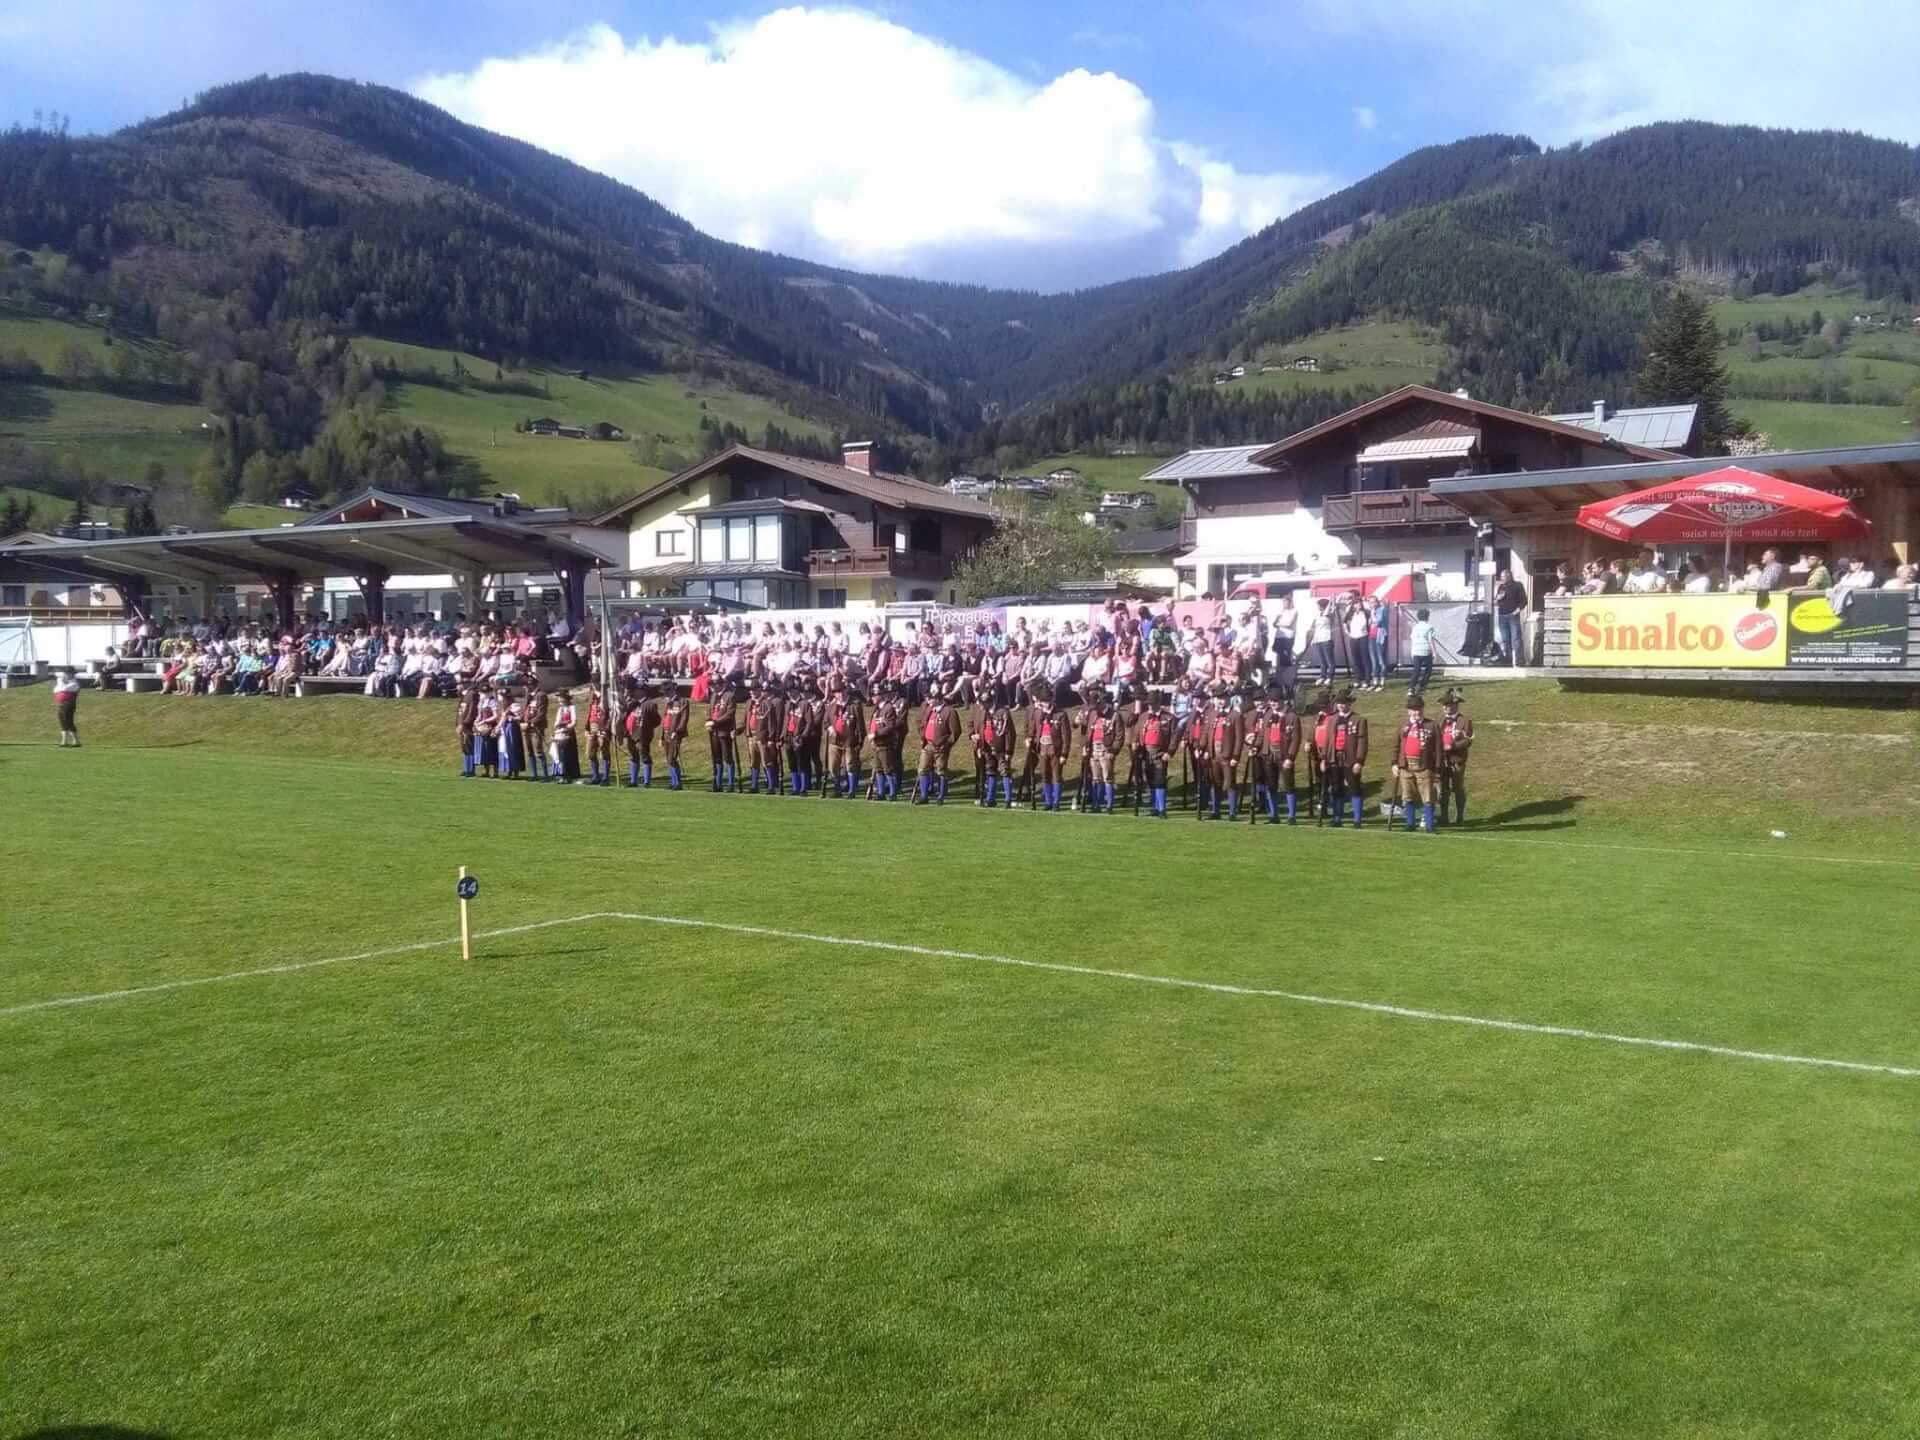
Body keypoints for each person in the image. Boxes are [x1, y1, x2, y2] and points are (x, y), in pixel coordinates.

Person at [1391, 693, 1441, 834]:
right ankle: (1410, 823)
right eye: (1413, 710)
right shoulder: (1403, 726)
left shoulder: (1432, 725)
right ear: (1409, 711)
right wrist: (1394, 763)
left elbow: (1438, 749)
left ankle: (1429, 826)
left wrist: (1437, 768)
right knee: (1407, 796)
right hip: (1406, 766)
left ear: (1422, 709)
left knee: (1428, 796)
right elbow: (1396, 746)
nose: (1416, 712)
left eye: (1419, 709)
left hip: (1425, 766)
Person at [1322, 688, 1369, 829]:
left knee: (1354, 787)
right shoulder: (1331, 719)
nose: (1341, 705)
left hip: (1350, 759)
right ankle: (1337, 818)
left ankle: (1357, 820)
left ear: (1349, 703)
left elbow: (1362, 742)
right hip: (1334, 758)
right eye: (1339, 703)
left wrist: (1359, 761)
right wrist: (1324, 758)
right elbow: (1327, 740)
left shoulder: (1359, 720)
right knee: (1336, 788)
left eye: (1344, 703)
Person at [1437, 687, 1474, 826]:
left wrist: (1452, 746)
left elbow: (1468, 740)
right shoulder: (1439, 719)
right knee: (1443, 789)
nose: (1445, 708)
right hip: (1442, 760)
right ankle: (1444, 817)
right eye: (1443, 705)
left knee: (1458, 788)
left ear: (1455, 705)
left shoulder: (1464, 720)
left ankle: (1460, 816)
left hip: (1457, 760)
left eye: (1448, 705)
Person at [1136, 688, 1175, 818]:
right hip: (1146, 752)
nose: (1150, 707)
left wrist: (1170, 752)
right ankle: (1154, 807)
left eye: (1152, 704)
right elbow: (1137, 732)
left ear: (1158, 703)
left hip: (1160, 752)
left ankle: (1162, 808)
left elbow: (1174, 737)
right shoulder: (1143, 717)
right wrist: (1136, 744)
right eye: (1149, 704)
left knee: (1160, 780)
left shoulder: (1168, 718)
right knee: (1150, 780)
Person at [976, 684, 1016, 809]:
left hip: (1001, 748)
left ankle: (1008, 799)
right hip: (987, 747)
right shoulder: (984, 713)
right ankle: (990, 798)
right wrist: (980, 746)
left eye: (984, 703)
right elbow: (981, 730)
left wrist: (1009, 750)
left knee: (1005, 772)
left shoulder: (1003, 712)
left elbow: (1010, 733)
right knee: (990, 772)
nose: (981, 706)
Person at [1493, 571, 1528, 667]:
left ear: (1509, 576)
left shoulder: (1517, 585)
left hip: (1512, 616)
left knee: (1516, 639)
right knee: (1505, 639)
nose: (1501, 578)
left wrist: (1518, 610)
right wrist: (1497, 599)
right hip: (1502, 616)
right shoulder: (1501, 587)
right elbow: (1496, 601)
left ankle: (1520, 661)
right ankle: (1508, 660)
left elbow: (1524, 600)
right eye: (1501, 576)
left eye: (1503, 576)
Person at [660, 682, 690, 790]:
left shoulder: (682, 701)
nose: (665, 694)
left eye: (667, 691)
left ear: (672, 690)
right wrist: (661, 736)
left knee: (672, 757)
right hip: (666, 733)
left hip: (675, 734)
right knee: (668, 759)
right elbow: (665, 719)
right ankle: (673, 782)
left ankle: (678, 783)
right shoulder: (668, 703)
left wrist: (677, 731)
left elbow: (684, 718)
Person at [1407, 608, 1436, 694]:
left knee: (1416, 670)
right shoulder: (1429, 627)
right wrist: (1434, 652)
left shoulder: (1415, 627)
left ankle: (1411, 688)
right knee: (1428, 670)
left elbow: (1412, 639)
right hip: (1426, 651)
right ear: (1427, 617)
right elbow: (1430, 640)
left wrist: (1412, 651)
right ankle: (1422, 686)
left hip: (1416, 651)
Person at [456, 681, 480, 778]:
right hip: (461, 724)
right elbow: (459, 712)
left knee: (469, 746)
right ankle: (466, 768)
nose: (457, 687)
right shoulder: (463, 695)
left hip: (468, 725)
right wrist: (457, 724)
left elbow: (472, 710)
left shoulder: (472, 694)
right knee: (464, 747)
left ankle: (470, 769)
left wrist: (465, 723)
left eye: (459, 684)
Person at [52, 669, 81, 747]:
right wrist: (61, 682)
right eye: (67, 674)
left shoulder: (75, 683)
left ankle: (76, 741)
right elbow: (55, 690)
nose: (68, 675)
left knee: (68, 721)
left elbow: (64, 689)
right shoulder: (62, 682)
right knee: (62, 721)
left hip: (69, 704)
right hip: (60, 704)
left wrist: (61, 682)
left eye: (70, 674)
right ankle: (64, 741)